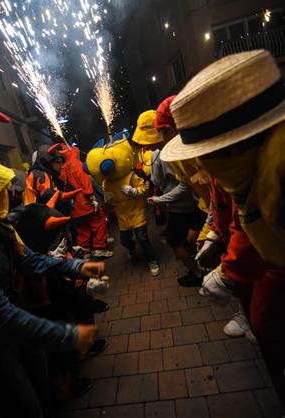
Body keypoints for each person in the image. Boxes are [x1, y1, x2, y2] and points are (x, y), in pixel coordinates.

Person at [161, 49, 285, 402]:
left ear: (231, 148)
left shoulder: (277, 171)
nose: (204, 166)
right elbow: (236, 210)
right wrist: (217, 233)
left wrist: (230, 271)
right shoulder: (258, 166)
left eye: (207, 154)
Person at [0, 155, 105, 417]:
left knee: (38, 365)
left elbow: (30, 259)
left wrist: (76, 267)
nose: (7, 191)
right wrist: (68, 335)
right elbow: (1, 314)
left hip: (10, 320)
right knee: (23, 399)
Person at [145, 96, 207, 287]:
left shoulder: (164, 154)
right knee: (193, 240)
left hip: (185, 206)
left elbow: (175, 183)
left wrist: (160, 198)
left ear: (170, 130)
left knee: (177, 242)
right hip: (199, 204)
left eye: (161, 132)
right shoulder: (188, 146)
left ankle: (198, 273)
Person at [86, 136, 160, 276]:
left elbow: (143, 189)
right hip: (122, 214)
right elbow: (108, 197)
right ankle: (131, 249)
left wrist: (134, 191)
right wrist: (102, 202)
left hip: (136, 210)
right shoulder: (107, 182)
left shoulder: (132, 175)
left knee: (142, 238)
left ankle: (152, 260)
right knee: (125, 241)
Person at [60, 145, 113, 259]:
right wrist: (92, 198)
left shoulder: (60, 168)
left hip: (72, 207)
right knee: (99, 222)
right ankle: (99, 249)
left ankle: (86, 252)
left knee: (82, 228)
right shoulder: (77, 164)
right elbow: (86, 184)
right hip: (84, 202)